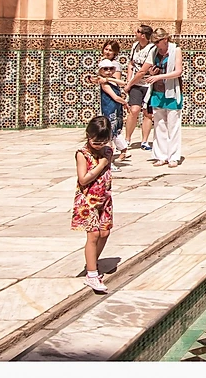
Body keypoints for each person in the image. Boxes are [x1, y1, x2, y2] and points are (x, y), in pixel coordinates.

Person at [72, 115, 114, 294]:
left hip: (104, 198)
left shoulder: (108, 150)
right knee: (93, 234)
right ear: (88, 136)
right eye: (96, 142)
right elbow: (83, 179)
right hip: (87, 200)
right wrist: (103, 163)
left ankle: (92, 261)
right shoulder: (83, 154)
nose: (100, 145)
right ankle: (91, 274)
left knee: (105, 231)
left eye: (103, 142)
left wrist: (106, 156)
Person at [144, 29, 183, 168]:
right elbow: (149, 68)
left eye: (157, 42)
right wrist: (152, 73)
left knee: (173, 125)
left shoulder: (175, 50)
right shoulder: (154, 52)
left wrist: (159, 76)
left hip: (172, 92)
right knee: (159, 125)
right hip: (157, 92)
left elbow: (178, 71)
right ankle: (160, 155)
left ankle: (173, 156)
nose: (156, 45)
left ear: (165, 39)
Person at [123, 25, 156, 152]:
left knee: (147, 112)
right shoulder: (135, 46)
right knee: (134, 110)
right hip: (136, 84)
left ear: (143, 35)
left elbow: (143, 71)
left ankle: (145, 141)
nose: (134, 32)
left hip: (148, 84)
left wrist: (129, 85)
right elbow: (131, 64)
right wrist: (129, 79)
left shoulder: (151, 49)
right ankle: (127, 139)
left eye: (137, 31)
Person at [96, 57, 130, 166]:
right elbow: (115, 97)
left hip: (116, 110)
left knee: (117, 131)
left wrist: (110, 79)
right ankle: (110, 160)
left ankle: (123, 150)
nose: (108, 71)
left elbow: (123, 83)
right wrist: (125, 103)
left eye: (111, 69)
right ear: (100, 70)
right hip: (110, 110)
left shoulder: (110, 81)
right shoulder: (104, 84)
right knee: (109, 135)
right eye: (105, 69)